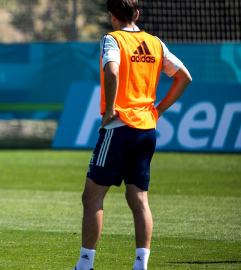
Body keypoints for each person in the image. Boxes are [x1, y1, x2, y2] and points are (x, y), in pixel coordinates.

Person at [72, 0, 192, 270]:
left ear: (112, 16)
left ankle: (85, 265)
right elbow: (184, 77)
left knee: (91, 197)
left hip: (119, 126)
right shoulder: (155, 42)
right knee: (138, 198)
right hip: (146, 129)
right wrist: (157, 111)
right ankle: (141, 265)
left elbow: (112, 71)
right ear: (136, 14)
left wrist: (110, 109)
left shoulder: (111, 39)